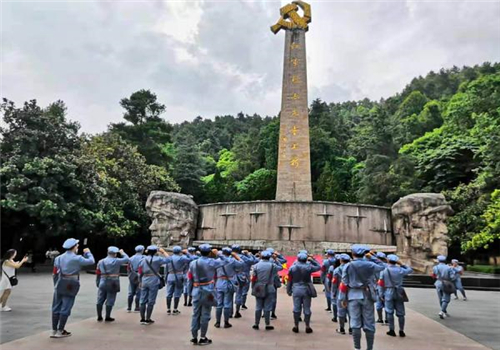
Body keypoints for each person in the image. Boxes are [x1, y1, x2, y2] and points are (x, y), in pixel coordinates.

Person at [339, 245, 385, 350]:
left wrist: (343, 298)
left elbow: (344, 284)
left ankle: (357, 348)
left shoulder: (348, 266)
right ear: (364, 253)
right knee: (369, 323)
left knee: (355, 323)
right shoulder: (370, 264)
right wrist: (372, 256)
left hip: (352, 295)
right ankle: (369, 348)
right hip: (367, 295)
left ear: (352, 253)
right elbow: (383, 266)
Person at [51, 238, 95, 338]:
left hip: (60, 281)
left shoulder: (58, 258)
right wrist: (88, 253)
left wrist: (56, 285)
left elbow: (54, 273)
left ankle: (53, 330)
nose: (78, 247)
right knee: (66, 306)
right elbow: (91, 261)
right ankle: (60, 330)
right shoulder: (77, 258)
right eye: (77, 245)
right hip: (71, 282)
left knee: (56, 306)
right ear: (74, 247)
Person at [188, 244, 229, 345]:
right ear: (209, 252)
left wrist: (189, 292)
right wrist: (218, 253)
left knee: (195, 314)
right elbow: (226, 261)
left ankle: (194, 337)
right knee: (205, 314)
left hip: (196, 290)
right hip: (208, 290)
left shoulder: (193, 263)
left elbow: (189, 278)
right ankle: (202, 337)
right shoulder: (212, 262)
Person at [379, 254, 413, 337]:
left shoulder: (384, 270)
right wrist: (402, 264)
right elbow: (410, 270)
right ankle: (401, 330)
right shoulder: (400, 269)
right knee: (401, 313)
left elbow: (381, 284)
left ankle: (391, 330)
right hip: (399, 291)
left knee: (389, 312)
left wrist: (381, 294)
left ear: (388, 260)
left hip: (388, 291)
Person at [287, 252, 321, 333]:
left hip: (296, 289)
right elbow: (319, 267)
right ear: (306, 259)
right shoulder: (309, 266)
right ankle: (307, 326)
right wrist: (312, 260)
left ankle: (296, 325)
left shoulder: (292, 267)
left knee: (296, 308)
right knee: (307, 308)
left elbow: (289, 280)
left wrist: (288, 290)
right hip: (306, 289)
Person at [138, 245, 171, 325]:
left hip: (144, 279)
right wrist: (163, 252)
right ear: (156, 251)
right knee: (151, 300)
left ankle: (142, 318)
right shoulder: (158, 259)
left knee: (142, 300)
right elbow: (169, 259)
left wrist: (140, 281)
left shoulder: (142, 259)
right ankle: (148, 318)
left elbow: (140, 272)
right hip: (154, 280)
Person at [251, 250, 283, 331]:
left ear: (261, 256)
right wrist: (276, 259)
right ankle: (267, 324)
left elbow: (253, 278)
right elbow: (281, 267)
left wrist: (253, 287)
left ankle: (256, 323)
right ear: (270, 257)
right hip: (269, 287)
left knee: (258, 306)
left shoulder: (256, 266)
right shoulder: (273, 266)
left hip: (258, 286)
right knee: (267, 307)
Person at [95, 246, 129, 322]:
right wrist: (122, 253)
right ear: (115, 254)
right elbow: (127, 259)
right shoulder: (117, 261)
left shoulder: (101, 261)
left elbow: (98, 272)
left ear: (107, 252)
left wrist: (97, 282)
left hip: (103, 281)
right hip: (113, 282)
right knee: (110, 299)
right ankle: (107, 316)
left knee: (100, 299)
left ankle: (99, 316)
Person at [214, 247, 244, 328]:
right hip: (229, 282)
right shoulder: (232, 260)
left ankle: (217, 322)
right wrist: (236, 256)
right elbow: (242, 264)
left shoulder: (217, 261)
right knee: (227, 303)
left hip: (219, 282)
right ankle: (226, 322)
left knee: (219, 303)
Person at [166, 246, 194, 315]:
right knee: (177, 293)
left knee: (169, 293)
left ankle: (168, 309)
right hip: (179, 275)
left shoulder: (169, 258)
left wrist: (165, 278)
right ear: (180, 251)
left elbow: (166, 269)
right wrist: (187, 253)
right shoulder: (182, 258)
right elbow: (191, 259)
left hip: (170, 275)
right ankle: (175, 309)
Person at [232, 245, 257, 318]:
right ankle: (239, 307)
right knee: (242, 292)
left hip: (231, 276)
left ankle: (229, 312)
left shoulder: (230, 257)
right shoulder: (243, 257)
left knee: (230, 295)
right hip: (244, 276)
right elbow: (253, 261)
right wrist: (249, 254)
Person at [432, 255, 456, 319]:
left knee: (440, 297)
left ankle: (444, 311)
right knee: (446, 298)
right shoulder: (448, 268)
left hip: (438, 283)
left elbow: (433, 275)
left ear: (438, 260)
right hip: (447, 283)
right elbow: (453, 277)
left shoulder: (435, 267)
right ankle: (442, 311)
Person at [333, 253, 351, 335]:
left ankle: (342, 328)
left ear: (340, 260)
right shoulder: (352, 269)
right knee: (351, 311)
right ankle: (351, 328)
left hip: (340, 291)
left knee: (341, 311)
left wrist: (333, 292)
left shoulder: (336, 270)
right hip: (351, 292)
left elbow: (334, 283)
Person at [267, 248, 287, 319]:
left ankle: (265, 312)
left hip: (264, 281)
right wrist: (278, 256)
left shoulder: (262, 260)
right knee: (273, 297)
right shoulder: (275, 261)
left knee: (264, 297)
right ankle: (272, 312)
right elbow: (284, 261)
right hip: (274, 280)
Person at [127, 245, 145, 312]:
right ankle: (137, 307)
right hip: (141, 275)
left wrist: (129, 275)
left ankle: (129, 307)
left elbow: (128, 268)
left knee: (130, 292)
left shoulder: (131, 258)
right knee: (138, 292)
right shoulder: (144, 258)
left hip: (132, 275)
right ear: (142, 250)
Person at [375, 252, 388, 324]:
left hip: (379, 285)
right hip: (388, 287)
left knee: (379, 304)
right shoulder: (388, 266)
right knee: (387, 305)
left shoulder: (377, 266)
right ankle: (387, 319)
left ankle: (380, 319)